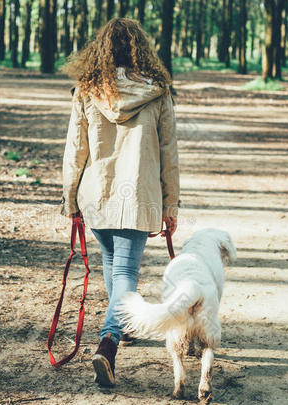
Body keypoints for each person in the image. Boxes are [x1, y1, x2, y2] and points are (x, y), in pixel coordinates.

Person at [60, 18, 180, 387]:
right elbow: (168, 152)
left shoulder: (87, 91)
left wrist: (70, 199)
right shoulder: (157, 91)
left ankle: (123, 325)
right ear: (141, 50)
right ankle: (109, 342)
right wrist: (170, 204)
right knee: (125, 272)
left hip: (96, 195)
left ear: (101, 50)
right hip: (139, 195)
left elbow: (75, 151)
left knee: (115, 267)